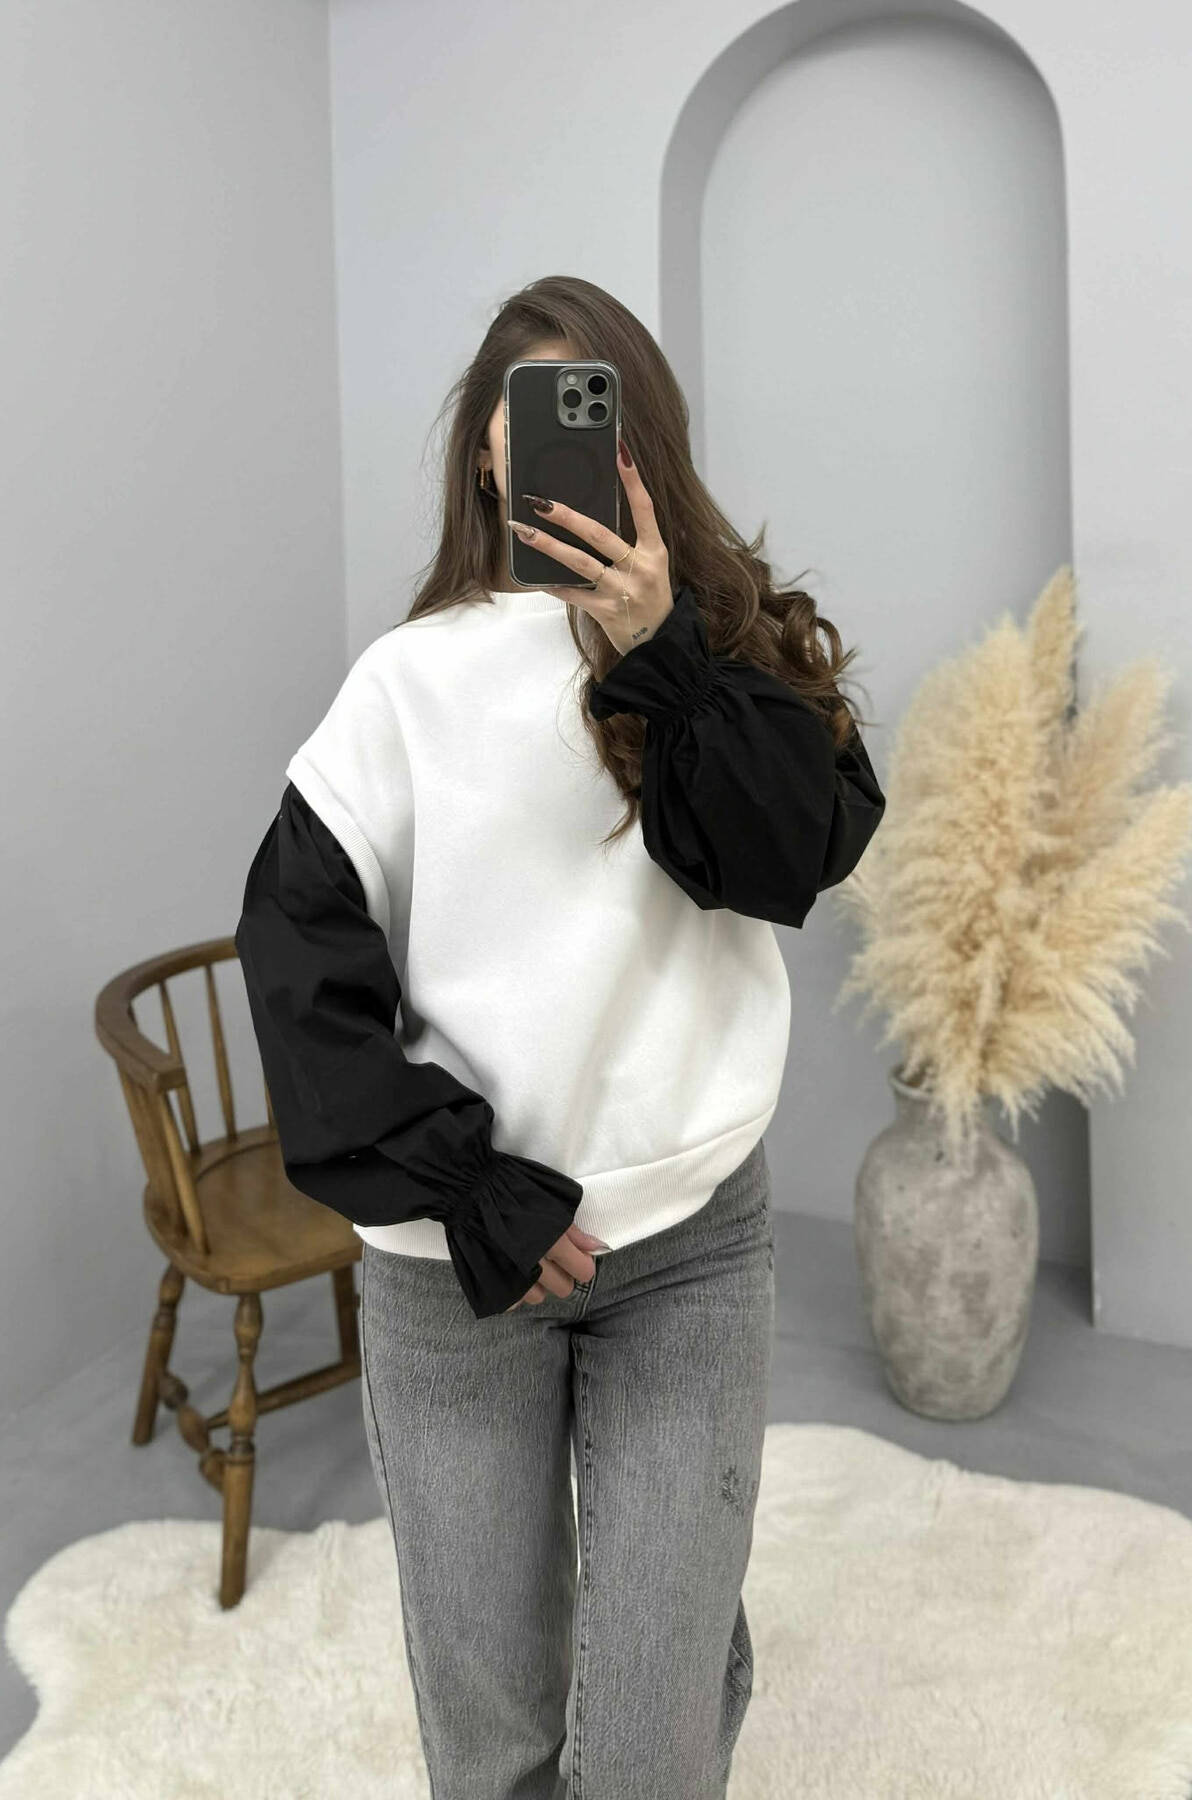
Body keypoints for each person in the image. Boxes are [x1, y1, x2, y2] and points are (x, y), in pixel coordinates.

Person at [234, 274, 885, 1800]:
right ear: (486, 454)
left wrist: (666, 653)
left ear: (646, 449)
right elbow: (300, 971)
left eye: (600, 415)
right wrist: (466, 1187)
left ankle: (680, 1662)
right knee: (496, 1743)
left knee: (651, 1745)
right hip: (454, 1272)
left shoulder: (729, 664)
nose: (563, 448)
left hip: (691, 1251)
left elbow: (789, 863)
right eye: (534, 419)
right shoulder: (403, 689)